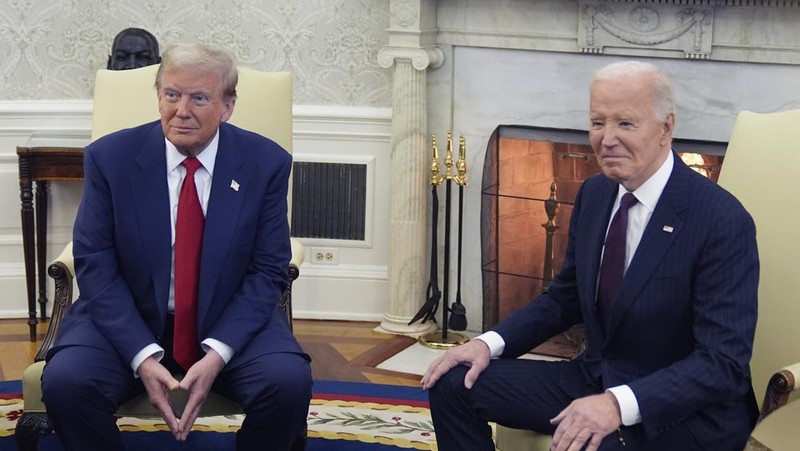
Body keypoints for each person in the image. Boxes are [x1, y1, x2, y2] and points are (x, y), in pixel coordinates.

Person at [422, 61, 759, 450]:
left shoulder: (721, 219)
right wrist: (487, 344)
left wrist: (617, 404)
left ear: (666, 127)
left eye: (625, 124)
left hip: (681, 410)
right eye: (598, 123)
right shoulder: (595, 194)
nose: (606, 138)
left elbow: (722, 364)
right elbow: (562, 299)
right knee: (453, 384)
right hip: (594, 377)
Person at [41, 43, 311, 451]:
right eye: (172, 94)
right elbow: (95, 263)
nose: (182, 110)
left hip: (228, 319)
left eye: (199, 97)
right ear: (159, 96)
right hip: (127, 317)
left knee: (288, 383)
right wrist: (142, 355)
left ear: (227, 106)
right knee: (66, 383)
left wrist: (219, 352)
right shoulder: (110, 159)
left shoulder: (264, 163)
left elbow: (268, 269)